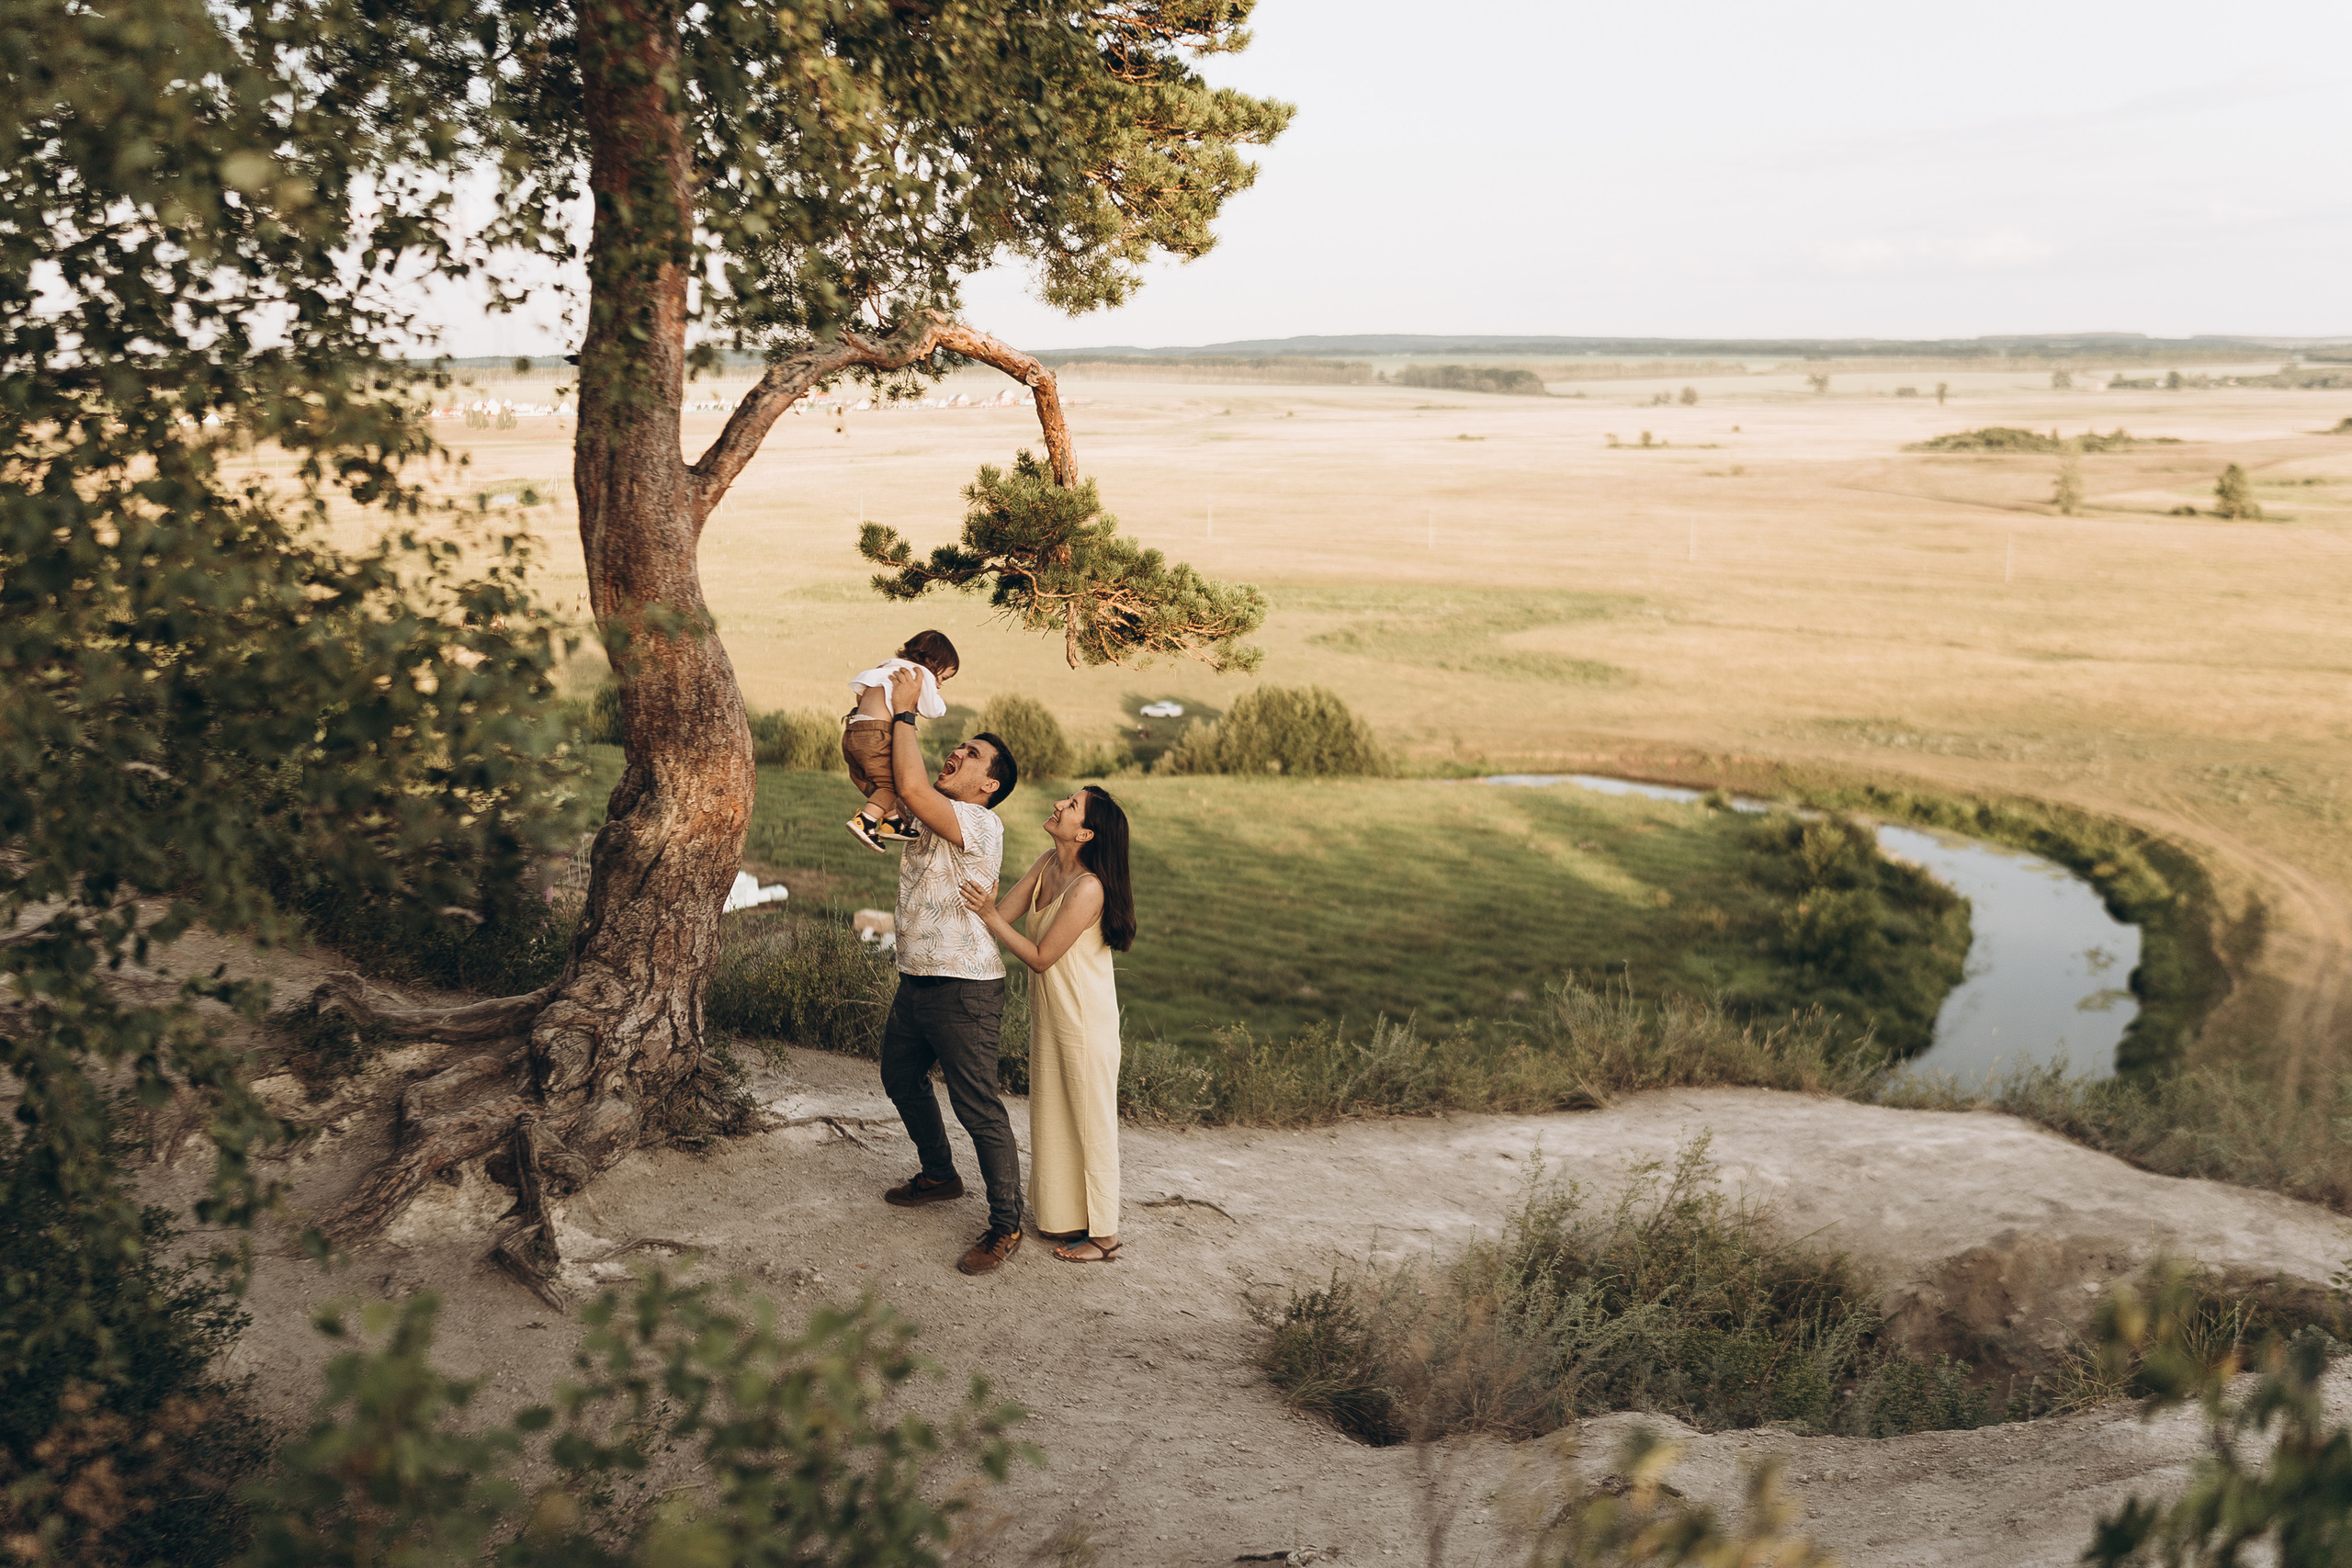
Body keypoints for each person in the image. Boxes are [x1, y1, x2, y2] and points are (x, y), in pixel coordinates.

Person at [874, 664, 1026, 1275]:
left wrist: (907, 712)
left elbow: (910, 790)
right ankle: (940, 1173)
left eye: (973, 754)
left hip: (965, 988)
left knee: (978, 1106)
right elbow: (893, 789)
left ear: (988, 786)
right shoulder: (937, 812)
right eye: (960, 745)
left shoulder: (980, 823)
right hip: (918, 978)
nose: (958, 751)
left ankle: (1006, 1224)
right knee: (899, 1076)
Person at [961, 785, 1134, 1264]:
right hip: (1053, 1019)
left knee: (1091, 1126)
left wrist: (991, 915)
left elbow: (1038, 956)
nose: (1059, 804)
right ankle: (1064, 1219)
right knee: (1055, 1119)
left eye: (1072, 805)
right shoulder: (1048, 863)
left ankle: (1105, 1240)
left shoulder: (1089, 888)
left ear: (1085, 832)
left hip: (1083, 1024)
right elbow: (1005, 911)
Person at [842, 630, 959, 852]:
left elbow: (859, 691)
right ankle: (866, 821)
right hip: (878, 734)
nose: (940, 685)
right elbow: (932, 710)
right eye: (942, 678)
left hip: (853, 730)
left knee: (878, 780)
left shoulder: (887, 665)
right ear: (931, 662)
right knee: (895, 782)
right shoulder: (918, 673)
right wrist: (936, 698)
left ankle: (892, 821)